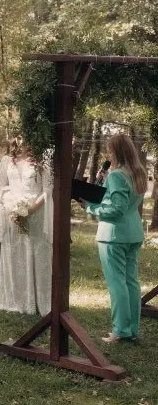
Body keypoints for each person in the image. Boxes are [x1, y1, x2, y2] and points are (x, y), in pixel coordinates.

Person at [85, 133, 146, 343]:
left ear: (116, 152)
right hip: (133, 231)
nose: (108, 153)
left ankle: (121, 330)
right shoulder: (139, 172)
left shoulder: (117, 175)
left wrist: (91, 207)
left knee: (117, 283)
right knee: (131, 282)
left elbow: (117, 208)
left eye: (110, 150)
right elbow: (123, 200)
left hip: (114, 234)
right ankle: (132, 330)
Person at [0, 137, 53, 316]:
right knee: (14, 254)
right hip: (11, 214)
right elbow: (2, 188)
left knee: (35, 251)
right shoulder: (6, 161)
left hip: (35, 213)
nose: (21, 140)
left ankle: (36, 300)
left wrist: (30, 209)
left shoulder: (43, 161)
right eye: (18, 137)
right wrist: (11, 205)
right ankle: (15, 300)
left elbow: (48, 190)